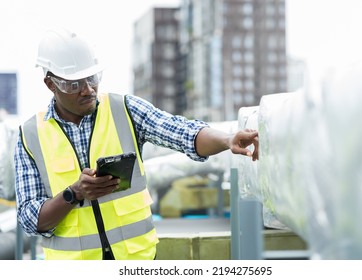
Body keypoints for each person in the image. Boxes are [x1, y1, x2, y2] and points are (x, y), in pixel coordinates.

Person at [14, 28, 259, 260]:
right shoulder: (30, 136)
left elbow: (182, 132)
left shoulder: (125, 110)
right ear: (50, 84)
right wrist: (74, 193)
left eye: (91, 78)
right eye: (74, 84)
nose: (87, 90)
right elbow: (29, 219)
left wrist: (227, 139)